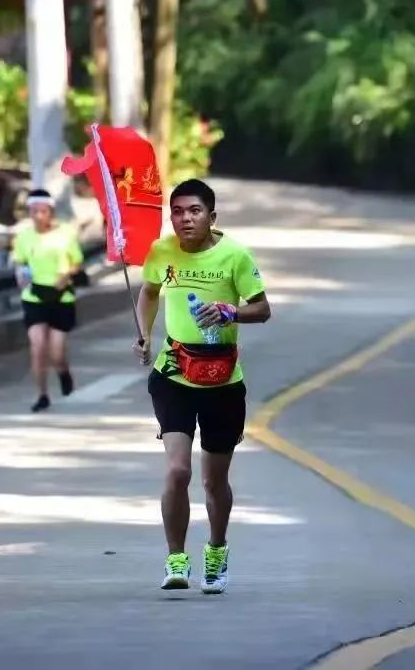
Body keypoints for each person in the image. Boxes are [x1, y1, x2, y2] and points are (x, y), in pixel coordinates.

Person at [133, 178, 272, 594]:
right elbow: (148, 293)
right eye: (177, 211)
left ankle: (216, 548)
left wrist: (231, 312)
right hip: (174, 373)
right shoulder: (161, 252)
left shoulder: (235, 257)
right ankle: (176, 559)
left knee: (214, 481)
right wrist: (145, 335)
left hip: (223, 380)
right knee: (177, 470)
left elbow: (263, 309)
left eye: (194, 211)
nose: (184, 219)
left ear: (212, 216)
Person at [14, 189, 84, 412]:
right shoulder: (23, 237)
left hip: (61, 296)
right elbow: (20, 262)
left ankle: (63, 372)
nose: (38, 216)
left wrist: (67, 275)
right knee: (38, 346)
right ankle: (42, 395)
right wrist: (20, 276)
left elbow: (77, 262)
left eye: (42, 211)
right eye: (33, 212)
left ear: (50, 212)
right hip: (34, 296)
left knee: (56, 353)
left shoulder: (65, 234)